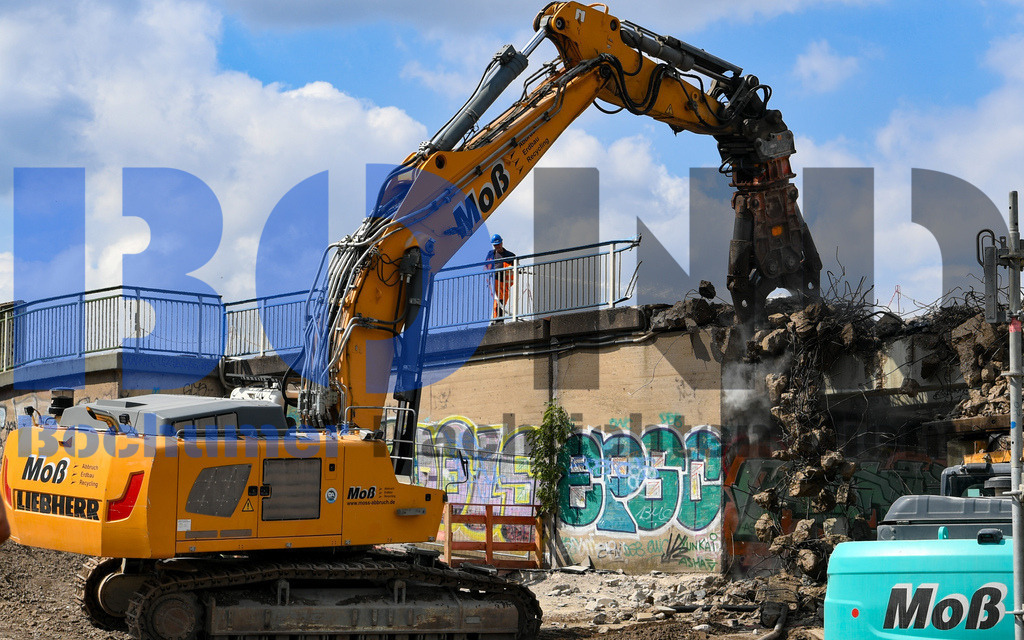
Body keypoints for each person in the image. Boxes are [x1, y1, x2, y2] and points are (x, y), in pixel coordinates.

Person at [485, 234, 516, 322]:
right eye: (495, 245)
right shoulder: (491, 254)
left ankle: (499, 320)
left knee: (501, 303)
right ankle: (497, 321)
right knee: (497, 303)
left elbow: (515, 267)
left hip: (504, 284)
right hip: (495, 282)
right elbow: (486, 267)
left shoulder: (510, 255)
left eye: (498, 244)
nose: (497, 246)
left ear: (502, 243)